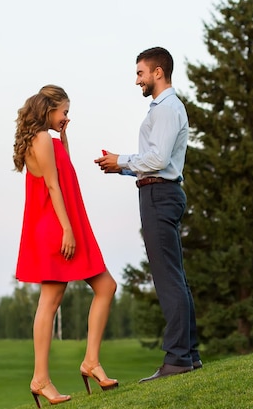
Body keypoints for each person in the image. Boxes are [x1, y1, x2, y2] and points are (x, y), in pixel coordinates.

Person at [94, 47, 202, 382]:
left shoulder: (167, 108)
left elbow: (157, 160)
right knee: (174, 276)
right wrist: (121, 168)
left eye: (140, 73)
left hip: (159, 194)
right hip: (158, 191)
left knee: (168, 278)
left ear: (158, 72)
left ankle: (178, 359)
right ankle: (189, 355)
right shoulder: (163, 109)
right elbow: (155, 161)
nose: (137, 79)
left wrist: (123, 160)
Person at [13, 85, 119, 407]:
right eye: (64, 111)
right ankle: (41, 378)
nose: (67, 117)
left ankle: (90, 362)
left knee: (105, 286)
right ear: (50, 108)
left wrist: (65, 137)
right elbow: (53, 186)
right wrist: (68, 231)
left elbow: (64, 170)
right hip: (58, 228)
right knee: (51, 299)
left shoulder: (46, 138)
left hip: (65, 224)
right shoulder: (42, 139)